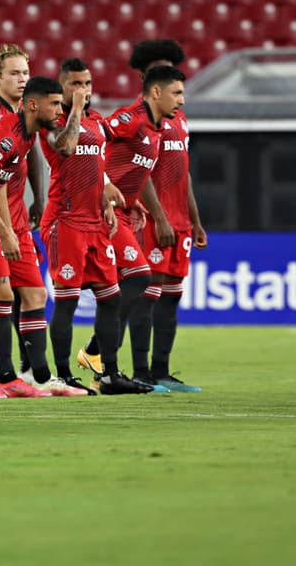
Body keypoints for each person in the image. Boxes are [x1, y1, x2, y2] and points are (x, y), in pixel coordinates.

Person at [41, 59, 151, 395]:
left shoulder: (98, 122)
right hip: (65, 221)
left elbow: (96, 166)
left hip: (95, 222)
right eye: (76, 84)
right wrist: (73, 109)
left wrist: (109, 197)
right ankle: (61, 376)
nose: (84, 90)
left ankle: (108, 374)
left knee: (111, 298)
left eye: (87, 83)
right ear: (62, 87)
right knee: (68, 301)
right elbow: (67, 146)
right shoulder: (55, 121)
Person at [76, 65, 187, 390]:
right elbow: (92, 144)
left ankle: (103, 365)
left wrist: (133, 198)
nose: (181, 100)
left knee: (129, 283)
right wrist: (106, 184)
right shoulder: (130, 118)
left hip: (123, 211)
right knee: (138, 277)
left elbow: (138, 171)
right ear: (156, 92)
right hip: (102, 213)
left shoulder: (157, 127)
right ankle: (97, 356)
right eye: (176, 93)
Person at [0, 76, 70, 397]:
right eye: (54, 103)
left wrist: (7, 233)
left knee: (5, 296)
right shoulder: (6, 136)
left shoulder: (25, 135)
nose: (59, 110)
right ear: (33, 104)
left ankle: (9, 378)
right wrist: (5, 235)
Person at [129, 40, 207, 392]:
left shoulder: (179, 117)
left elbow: (183, 171)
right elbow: (139, 172)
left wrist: (195, 219)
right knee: (150, 292)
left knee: (172, 296)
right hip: (153, 220)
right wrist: (158, 216)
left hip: (181, 222)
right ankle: (140, 372)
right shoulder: (137, 117)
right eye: (160, 68)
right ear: (147, 76)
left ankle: (161, 371)